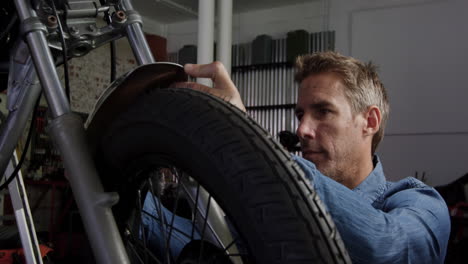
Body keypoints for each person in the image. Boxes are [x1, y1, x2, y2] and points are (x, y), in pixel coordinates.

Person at [174, 51, 451, 263]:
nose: (302, 129)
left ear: (370, 121)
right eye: (300, 115)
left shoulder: (421, 203)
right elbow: (190, 239)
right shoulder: (272, 207)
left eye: (323, 112)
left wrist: (250, 141)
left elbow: (388, 249)